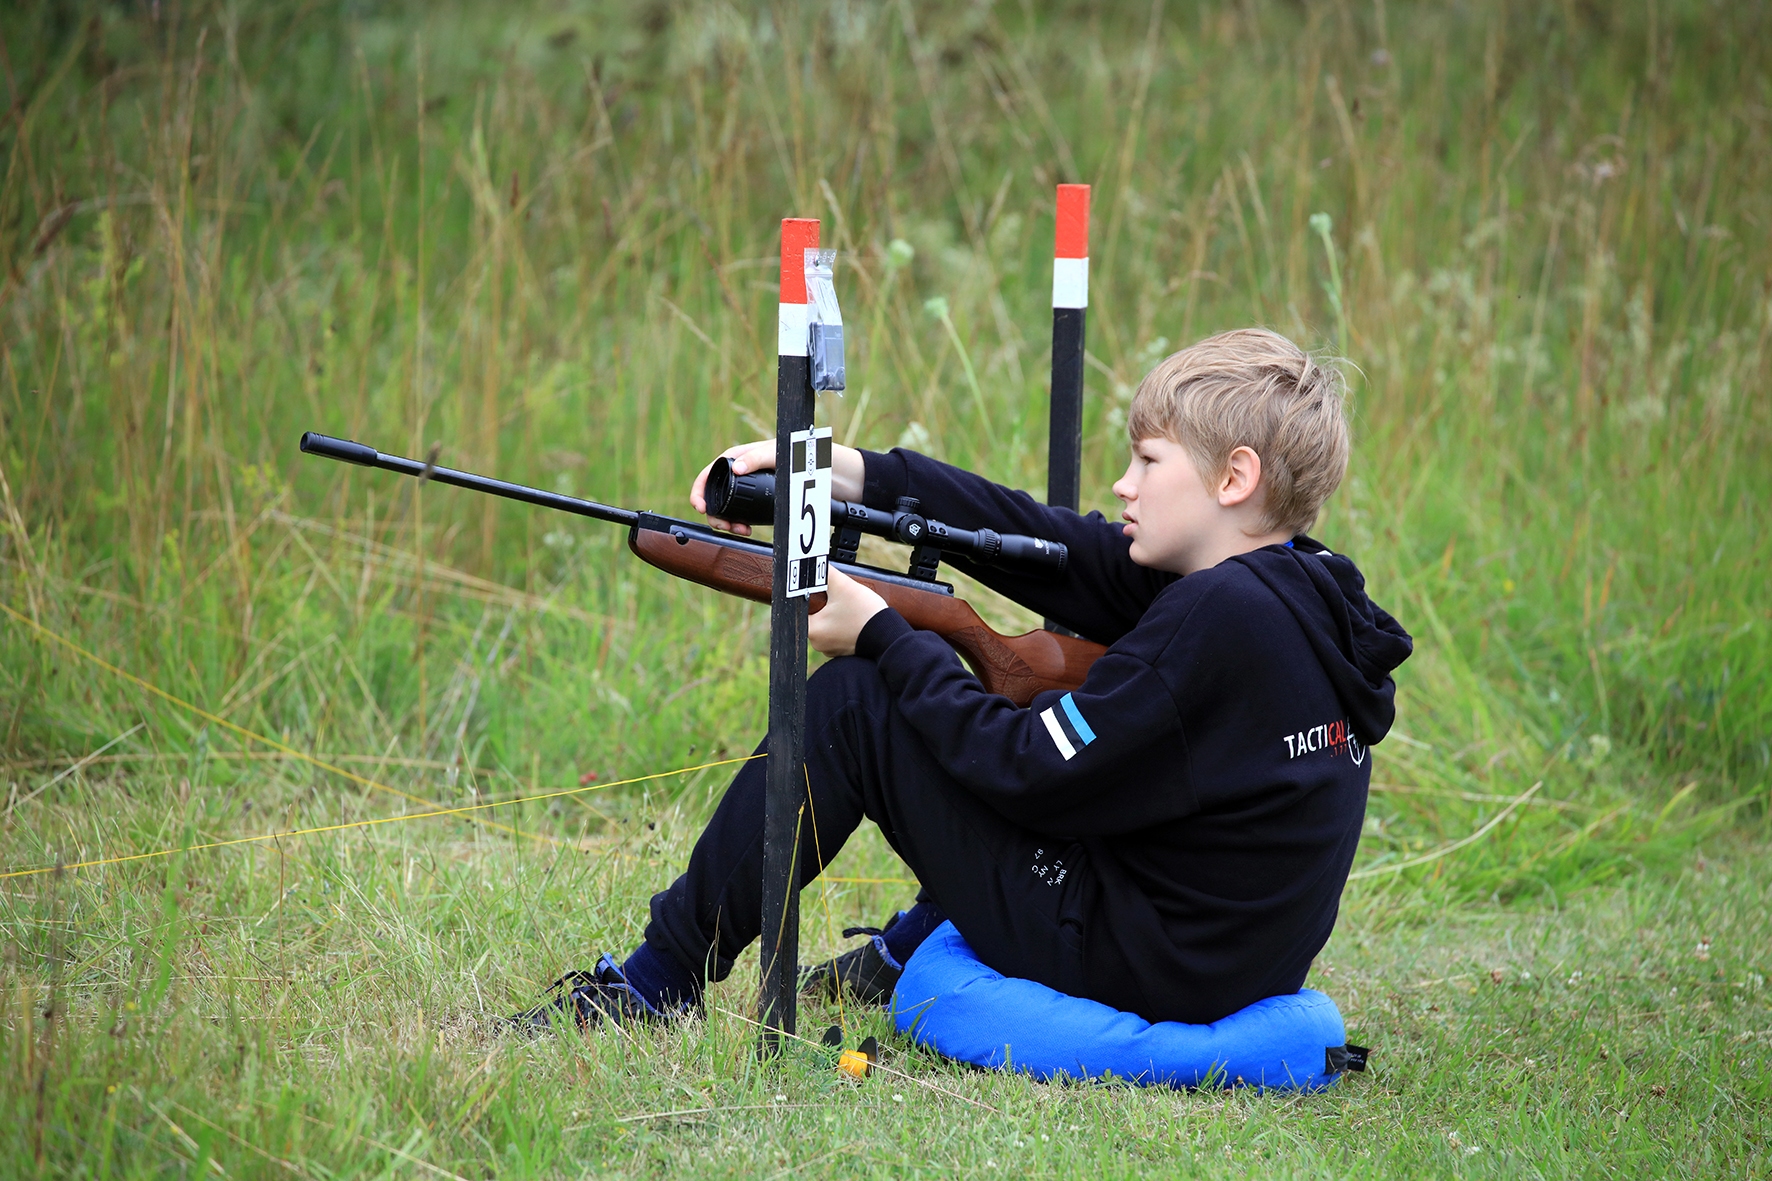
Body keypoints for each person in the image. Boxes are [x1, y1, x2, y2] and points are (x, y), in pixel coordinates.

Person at [510, 327, 1412, 1030]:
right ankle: (906, 946)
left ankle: (657, 979)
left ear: (1234, 477)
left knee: (860, 704)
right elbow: (1053, 543)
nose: (1123, 484)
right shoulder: (1301, 590)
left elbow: (1028, 768)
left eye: (1147, 460)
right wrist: (851, 472)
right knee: (1019, 721)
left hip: (1143, 964)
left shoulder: (1217, 614)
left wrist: (884, 636)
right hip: (1221, 958)